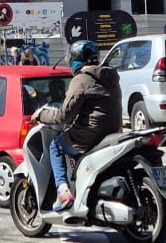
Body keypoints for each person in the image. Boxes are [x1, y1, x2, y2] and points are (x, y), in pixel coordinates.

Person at [49, 40, 120, 212]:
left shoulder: (81, 79)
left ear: (75, 59)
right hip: (112, 132)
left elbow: (64, 116)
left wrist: (40, 115)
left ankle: (63, 191)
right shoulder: (110, 77)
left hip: (90, 135)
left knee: (56, 145)